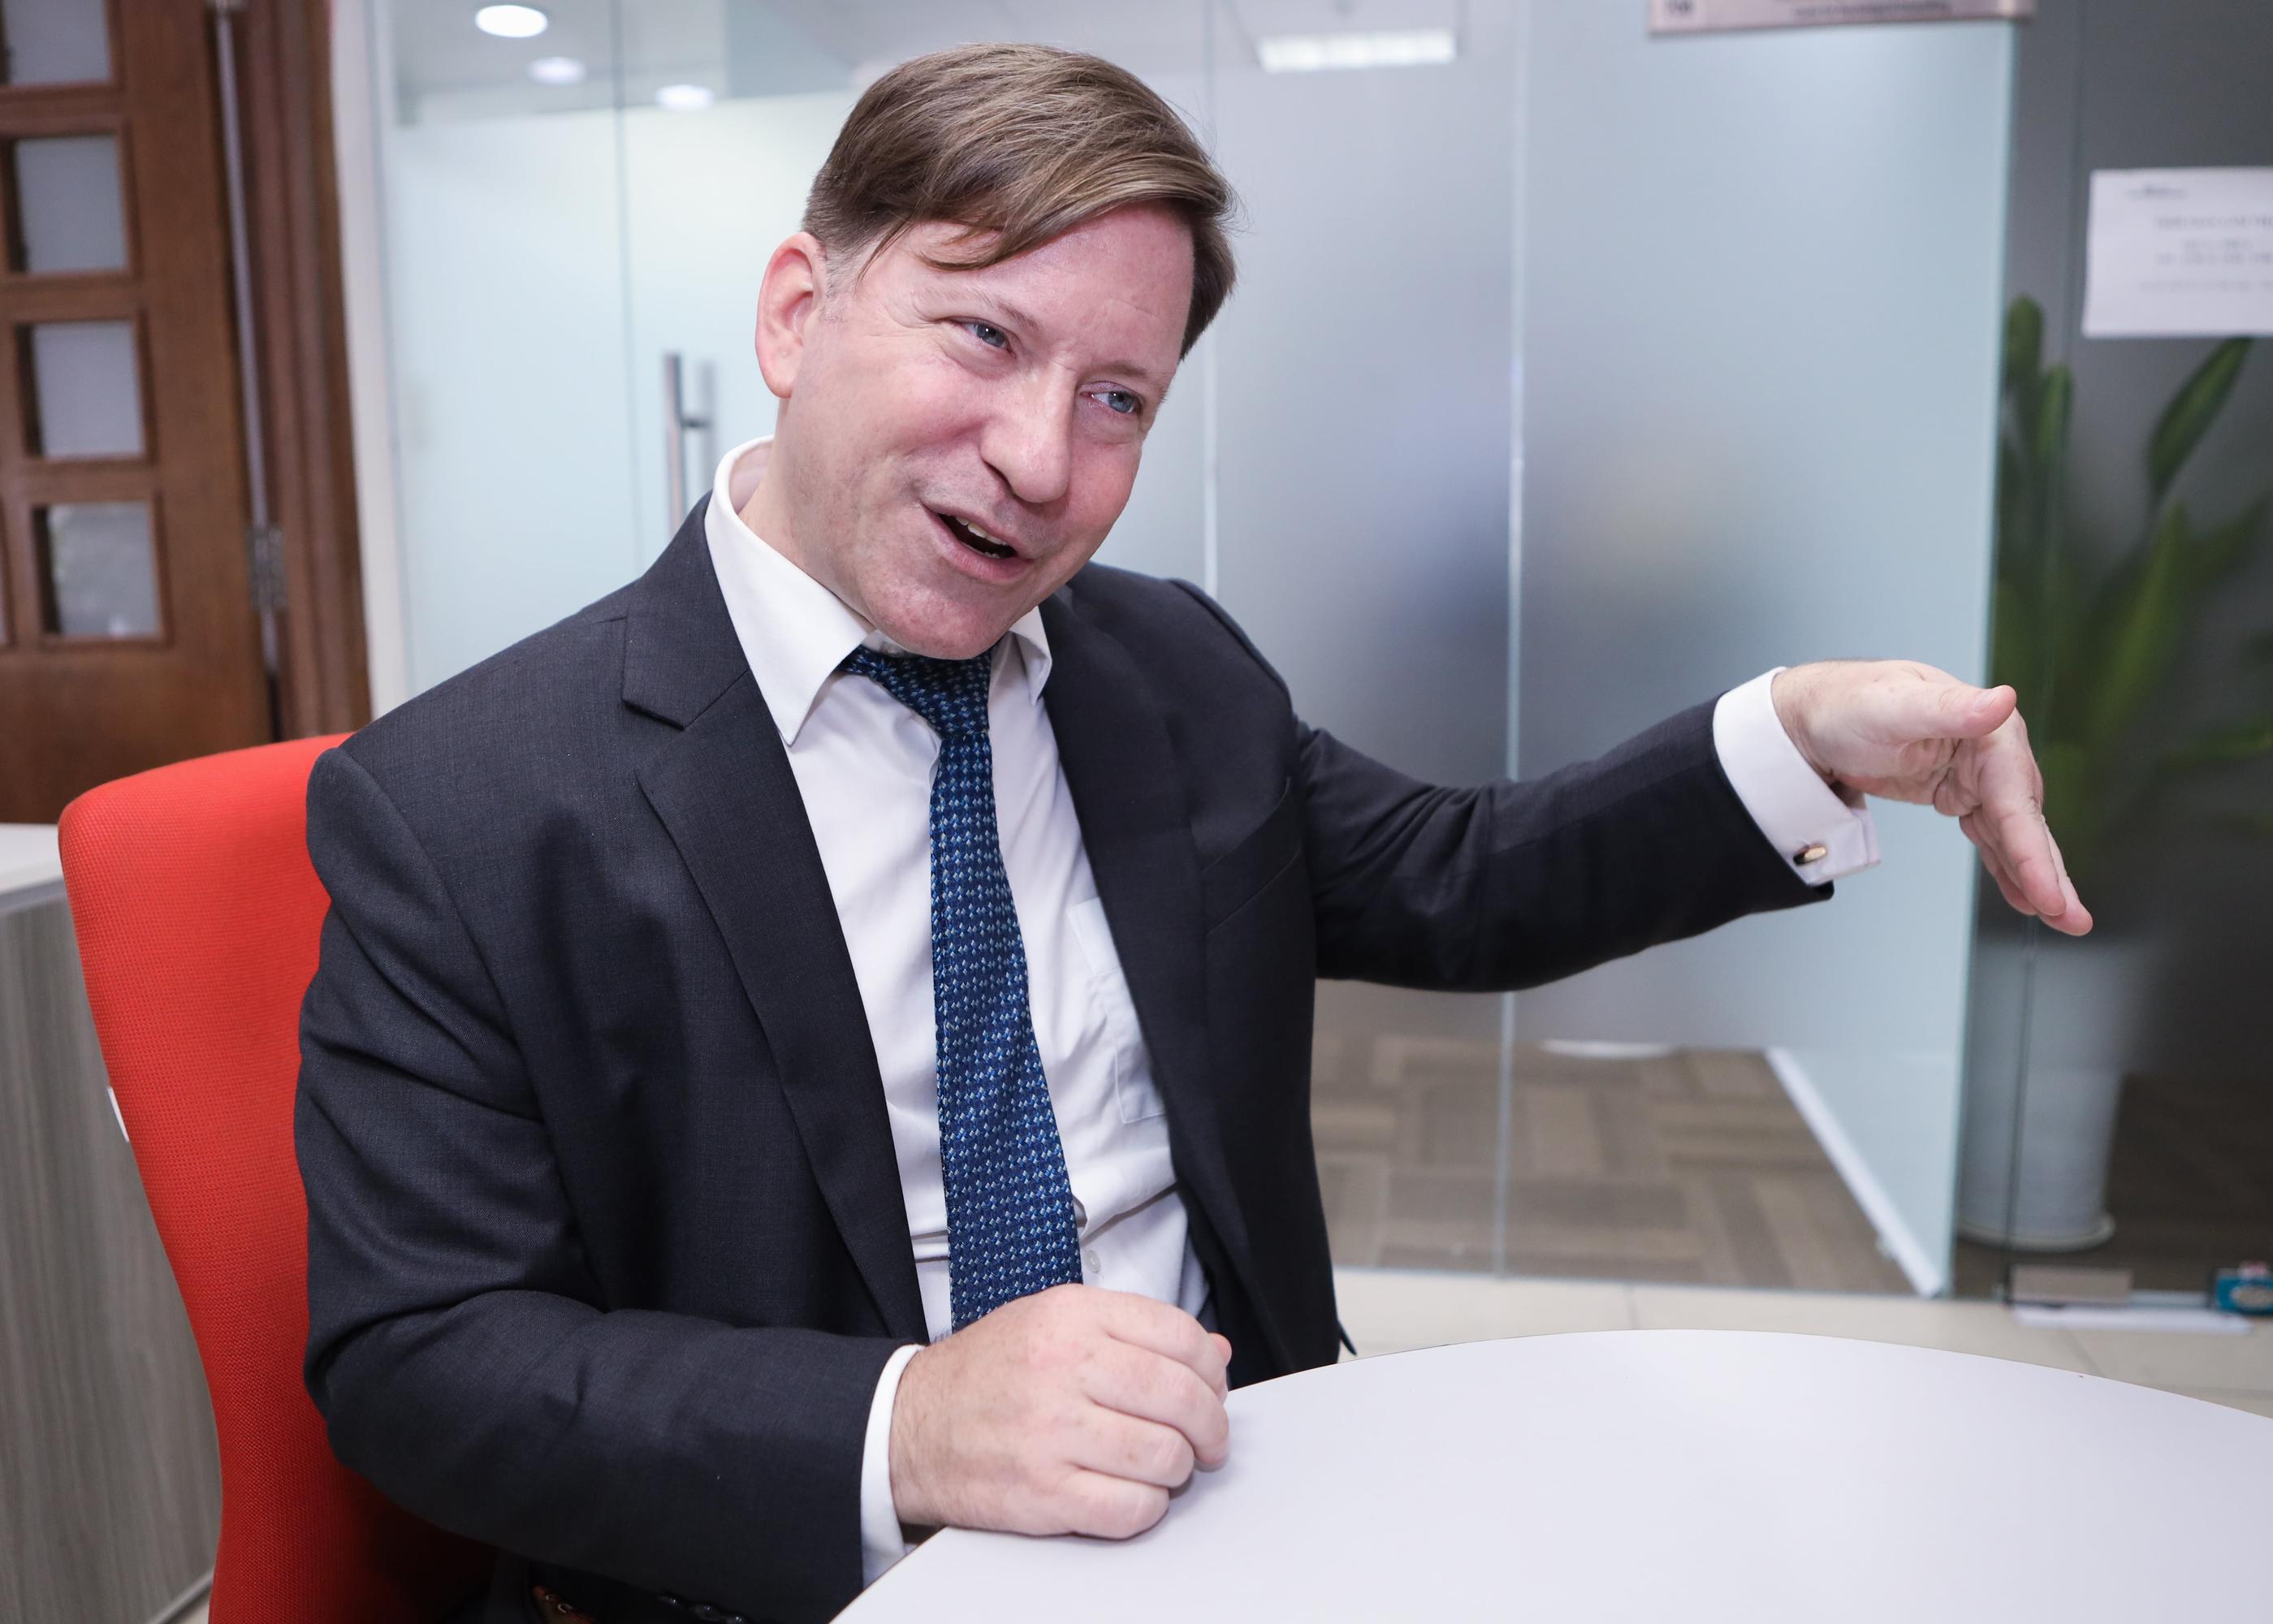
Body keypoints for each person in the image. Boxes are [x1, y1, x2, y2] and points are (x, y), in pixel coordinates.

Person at [295, 41, 2091, 1624]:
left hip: (1253, 1495)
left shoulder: (1165, 668)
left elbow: (1460, 882)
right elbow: (422, 1355)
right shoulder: (463, 807)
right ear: (793, 313)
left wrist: (1796, 737)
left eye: (1118, 400)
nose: (1038, 459)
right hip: (811, 1575)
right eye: (985, 335)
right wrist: (906, 1425)